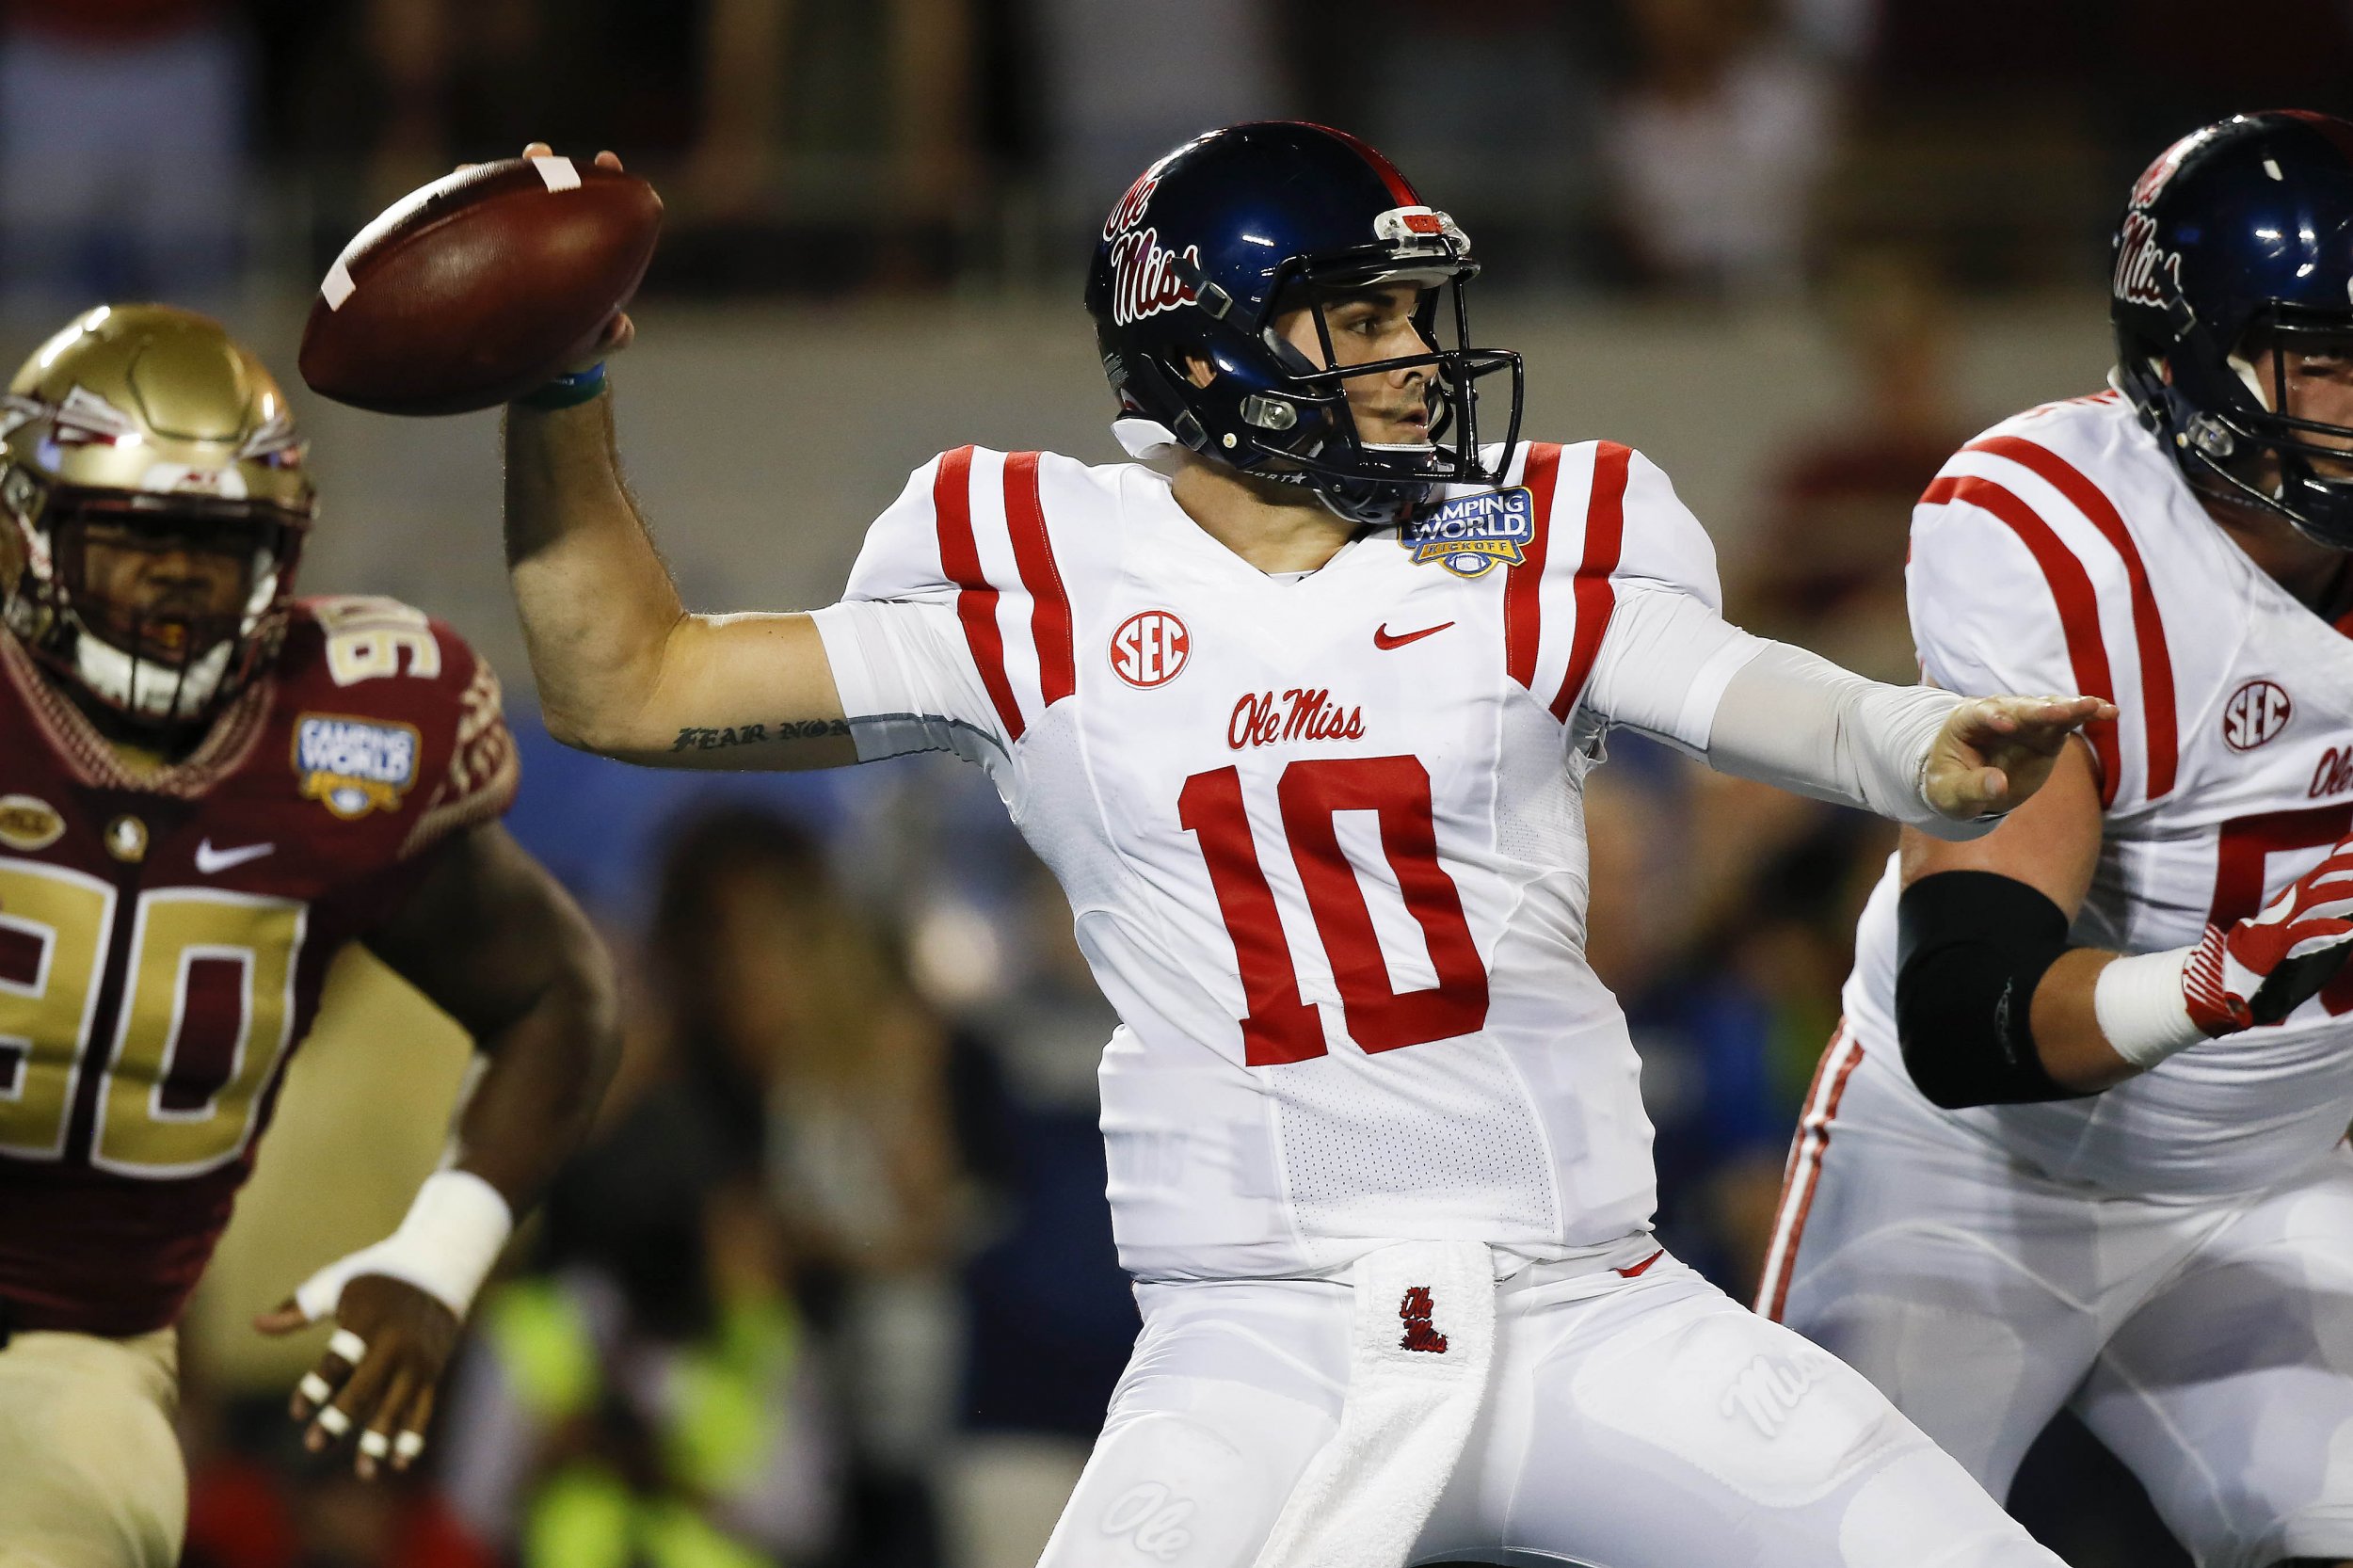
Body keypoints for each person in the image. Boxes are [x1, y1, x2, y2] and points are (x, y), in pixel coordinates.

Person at [495, 122, 2110, 1567]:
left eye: (1414, 311)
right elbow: (629, 680)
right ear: (1209, 352)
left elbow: (1732, 682)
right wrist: (559, 387)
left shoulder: (1522, 524)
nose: (1416, 355)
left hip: (1587, 1303)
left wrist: (1910, 740)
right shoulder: (1034, 568)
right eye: (1363, 316)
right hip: (1260, 1331)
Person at [1757, 111, 2353, 1568]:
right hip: (1973, 1174)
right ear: (2191, 357)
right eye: (2332, 354)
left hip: (2273, 1173)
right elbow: (1970, 1010)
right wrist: (2218, 979)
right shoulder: (2058, 530)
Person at [0, 304, 618, 1568]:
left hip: (81, 1347)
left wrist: (442, 1255)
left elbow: (559, 994)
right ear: (31, 534)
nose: (179, 576)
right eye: (138, 537)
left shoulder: (350, 730)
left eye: (217, 545)